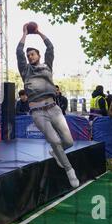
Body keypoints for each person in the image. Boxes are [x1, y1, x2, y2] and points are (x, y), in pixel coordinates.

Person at [17, 22, 79, 188]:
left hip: (54, 109)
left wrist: (38, 33)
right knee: (54, 141)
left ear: (38, 55)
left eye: (32, 54)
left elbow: (50, 47)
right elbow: (18, 52)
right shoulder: (25, 71)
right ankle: (69, 170)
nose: (30, 56)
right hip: (38, 112)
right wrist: (24, 33)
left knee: (69, 142)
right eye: (28, 55)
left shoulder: (47, 66)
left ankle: (57, 154)